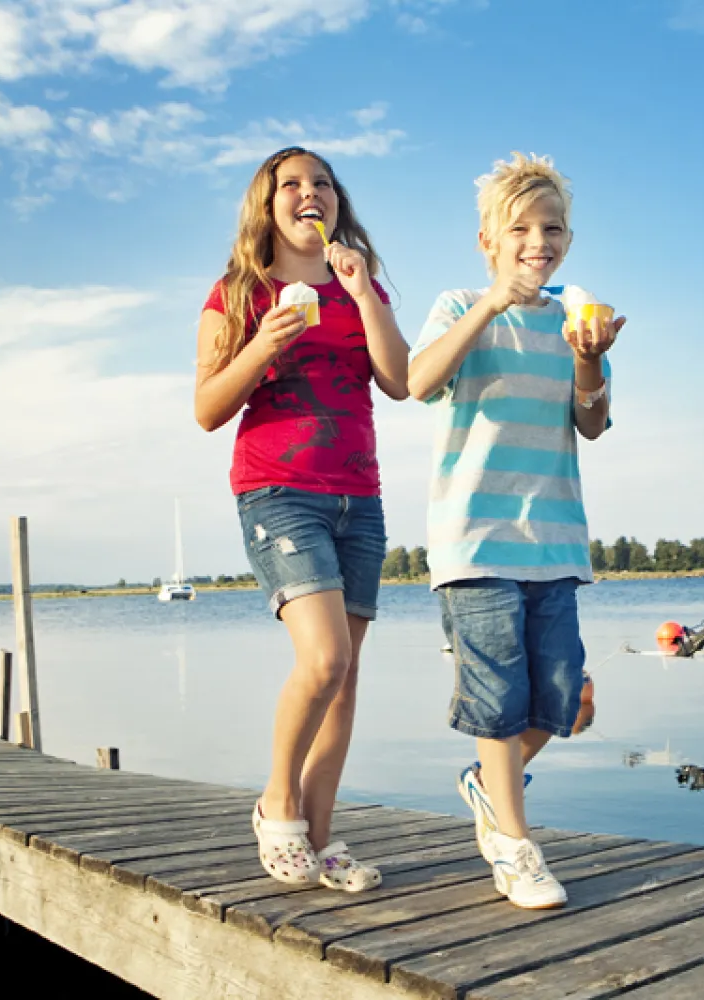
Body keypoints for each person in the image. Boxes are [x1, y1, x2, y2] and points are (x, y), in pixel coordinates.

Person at [408, 152, 624, 909]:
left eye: (554, 227)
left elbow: (590, 424)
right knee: (498, 698)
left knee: (559, 700)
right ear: (488, 241)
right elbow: (416, 381)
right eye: (522, 228)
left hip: (554, 537)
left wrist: (589, 362)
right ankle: (514, 844)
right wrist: (490, 306)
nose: (540, 240)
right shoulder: (458, 302)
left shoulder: (575, 315)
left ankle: (484, 784)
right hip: (474, 536)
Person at [194, 146, 409, 891]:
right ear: (267, 204)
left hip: (360, 498)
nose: (308, 193)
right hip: (278, 490)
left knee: (344, 680)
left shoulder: (360, 286)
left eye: (321, 184)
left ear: (336, 204)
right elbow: (207, 410)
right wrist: (260, 345)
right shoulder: (238, 292)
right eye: (291, 184)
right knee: (322, 659)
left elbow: (399, 381)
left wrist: (363, 291)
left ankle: (319, 839)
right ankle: (276, 806)